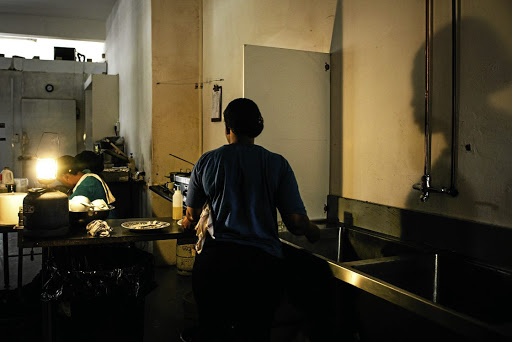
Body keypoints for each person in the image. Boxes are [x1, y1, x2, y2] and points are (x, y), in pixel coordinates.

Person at [181, 97, 321, 342]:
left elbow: (191, 216)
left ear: (228, 128)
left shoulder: (207, 161)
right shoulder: (277, 164)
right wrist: (312, 230)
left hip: (215, 268)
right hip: (260, 270)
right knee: (255, 334)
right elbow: (297, 223)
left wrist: (188, 221)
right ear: (258, 126)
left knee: (212, 332)